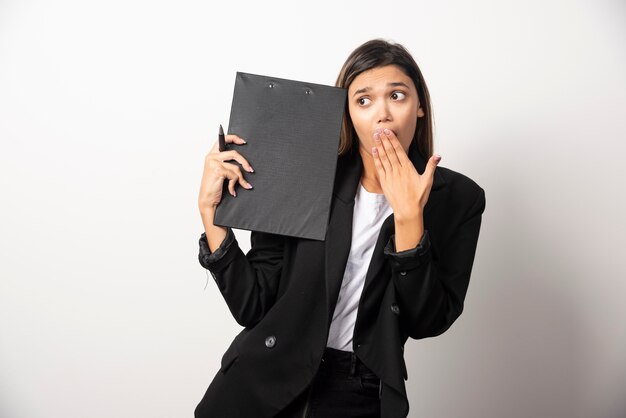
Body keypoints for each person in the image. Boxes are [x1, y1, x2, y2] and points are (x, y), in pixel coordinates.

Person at [195, 39, 485, 418]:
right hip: (262, 381)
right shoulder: (306, 175)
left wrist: (410, 218)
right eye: (363, 100)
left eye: (396, 95)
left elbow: (428, 320)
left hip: (359, 390)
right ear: (347, 113)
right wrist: (208, 210)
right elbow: (252, 305)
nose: (381, 113)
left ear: (420, 108)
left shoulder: (458, 199)